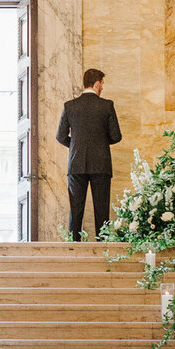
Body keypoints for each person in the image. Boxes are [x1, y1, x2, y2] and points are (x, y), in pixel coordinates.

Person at [56, 68, 122, 240]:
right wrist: (99, 143)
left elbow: (60, 136)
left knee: (76, 211)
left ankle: (73, 248)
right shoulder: (106, 105)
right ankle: (102, 250)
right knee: (102, 210)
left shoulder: (70, 106)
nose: (102, 89)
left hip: (76, 164)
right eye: (102, 85)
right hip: (101, 164)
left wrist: (76, 146)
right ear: (97, 83)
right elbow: (116, 136)